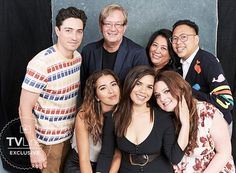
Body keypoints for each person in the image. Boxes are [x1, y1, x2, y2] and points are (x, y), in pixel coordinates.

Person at [18, 7, 87, 173]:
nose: (74, 37)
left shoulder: (77, 58)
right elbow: (24, 108)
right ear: (57, 30)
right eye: (68, 30)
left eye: (79, 31)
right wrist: (34, 148)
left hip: (70, 136)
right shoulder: (41, 64)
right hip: (48, 141)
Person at [96, 65, 189, 173]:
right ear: (130, 83)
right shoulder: (112, 117)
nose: (143, 91)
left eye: (149, 87)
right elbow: (106, 155)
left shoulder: (163, 118)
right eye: (138, 84)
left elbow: (175, 158)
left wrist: (185, 124)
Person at [154, 70, 235, 172]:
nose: (162, 98)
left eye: (166, 91)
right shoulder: (162, 119)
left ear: (180, 88)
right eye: (157, 95)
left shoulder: (205, 111)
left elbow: (224, 153)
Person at [170, 19, 234, 127]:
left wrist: (186, 91)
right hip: (195, 125)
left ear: (196, 39)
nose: (178, 42)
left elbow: (226, 101)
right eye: (174, 38)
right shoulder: (178, 65)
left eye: (183, 37)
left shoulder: (207, 61)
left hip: (216, 126)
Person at [80, 3, 149, 95]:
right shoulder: (88, 51)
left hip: (124, 108)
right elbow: (84, 89)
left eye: (118, 24)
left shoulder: (137, 53)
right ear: (101, 26)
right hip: (94, 107)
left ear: (124, 27)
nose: (113, 29)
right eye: (108, 24)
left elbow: (142, 90)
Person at [63, 69, 121, 173]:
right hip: (79, 165)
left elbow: (117, 154)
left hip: (107, 165)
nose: (111, 91)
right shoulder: (84, 116)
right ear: (96, 96)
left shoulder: (124, 113)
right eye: (103, 88)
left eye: (113, 84)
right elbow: (84, 159)